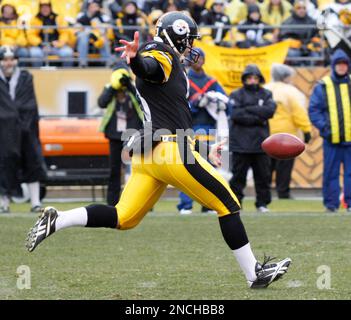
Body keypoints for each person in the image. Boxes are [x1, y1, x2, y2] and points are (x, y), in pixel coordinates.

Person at [26, 11, 291, 288]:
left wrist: (201, 148)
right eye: (187, 39)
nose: (190, 46)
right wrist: (137, 60)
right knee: (228, 204)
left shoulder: (168, 61)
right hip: (170, 149)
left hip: (149, 154)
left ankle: (60, 219)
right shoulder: (160, 52)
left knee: (123, 217)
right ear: (175, 36)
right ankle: (254, 275)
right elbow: (150, 67)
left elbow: (173, 115)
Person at [177, 47, 228, 215]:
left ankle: (209, 204)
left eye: (200, 58)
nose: (198, 60)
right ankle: (186, 205)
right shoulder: (183, 79)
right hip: (189, 127)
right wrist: (197, 102)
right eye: (194, 58)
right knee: (189, 167)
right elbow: (179, 105)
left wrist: (220, 104)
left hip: (210, 127)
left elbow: (226, 103)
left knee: (210, 167)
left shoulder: (212, 82)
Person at [0, 46, 46, 213]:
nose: (8, 63)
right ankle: (4, 203)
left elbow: (29, 104)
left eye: (11, 59)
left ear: (16, 60)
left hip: (26, 128)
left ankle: (35, 202)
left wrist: (16, 118)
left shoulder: (25, 77)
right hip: (4, 131)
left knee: (32, 161)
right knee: (4, 164)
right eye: (4, 59)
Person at [228, 64, 276, 213]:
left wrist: (247, 109)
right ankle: (236, 203)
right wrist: (258, 116)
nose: (253, 81)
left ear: (260, 79)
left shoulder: (266, 93)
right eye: (249, 78)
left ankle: (262, 203)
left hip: (261, 143)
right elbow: (235, 115)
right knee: (238, 177)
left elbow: (269, 111)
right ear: (244, 79)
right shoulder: (236, 94)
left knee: (263, 176)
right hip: (240, 143)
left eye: (255, 78)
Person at [309, 49, 351, 212]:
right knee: (330, 174)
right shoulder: (323, 85)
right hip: (331, 139)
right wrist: (325, 129)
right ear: (334, 66)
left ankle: (349, 204)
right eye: (339, 64)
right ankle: (331, 205)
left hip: (350, 140)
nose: (341, 67)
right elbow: (314, 110)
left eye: (344, 64)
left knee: (350, 174)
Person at [265, 63, 312, 199]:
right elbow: (299, 113)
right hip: (287, 136)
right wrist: (306, 131)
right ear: (285, 76)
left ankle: (264, 191)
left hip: (267, 134)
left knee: (266, 167)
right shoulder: (291, 91)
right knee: (284, 166)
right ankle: (283, 193)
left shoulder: (265, 89)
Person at [98, 65, 143, 206]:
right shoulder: (109, 88)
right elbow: (102, 103)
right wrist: (113, 86)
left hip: (133, 134)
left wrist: (129, 84)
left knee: (139, 170)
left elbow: (142, 101)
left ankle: (140, 201)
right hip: (115, 136)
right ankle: (112, 203)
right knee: (114, 171)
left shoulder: (134, 88)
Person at [27, 0, 74, 67]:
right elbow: (31, 35)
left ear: (50, 8)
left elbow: (64, 33)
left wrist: (59, 43)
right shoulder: (35, 19)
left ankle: (67, 75)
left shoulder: (58, 18)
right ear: (39, 8)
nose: (45, 9)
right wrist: (40, 44)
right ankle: (37, 75)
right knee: (35, 54)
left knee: (67, 52)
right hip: (40, 46)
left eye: (47, 7)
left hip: (56, 46)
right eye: (43, 7)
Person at [279, 0, 322, 66]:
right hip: (295, 48)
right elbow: (284, 38)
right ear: (294, 9)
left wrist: (312, 44)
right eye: (299, 8)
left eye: (304, 8)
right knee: (293, 54)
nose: (301, 10)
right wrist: (298, 45)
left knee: (316, 56)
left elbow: (317, 36)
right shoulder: (288, 22)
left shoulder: (312, 21)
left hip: (309, 48)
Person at [75, 0, 111, 67]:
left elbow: (108, 26)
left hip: (98, 35)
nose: (93, 8)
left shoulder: (102, 16)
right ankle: (83, 62)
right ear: (88, 7)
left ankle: (107, 62)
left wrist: (99, 26)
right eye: (91, 6)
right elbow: (77, 27)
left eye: (95, 6)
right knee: (83, 37)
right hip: (86, 35)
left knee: (104, 38)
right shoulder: (82, 15)